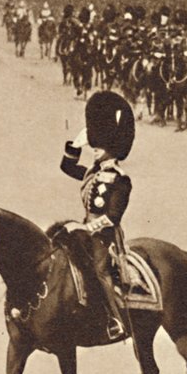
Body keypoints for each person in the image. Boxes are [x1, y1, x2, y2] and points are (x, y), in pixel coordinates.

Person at [60, 90, 134, 340]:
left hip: (105, 237)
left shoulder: (121, 180)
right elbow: (67, 166)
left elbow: (113, 217)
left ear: (112, 147)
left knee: (101, 272)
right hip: (85, 230)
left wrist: (84, 229)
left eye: (98, 145)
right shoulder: (92, 172)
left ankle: (116, 320)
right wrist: (76, 144)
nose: (94, 148)